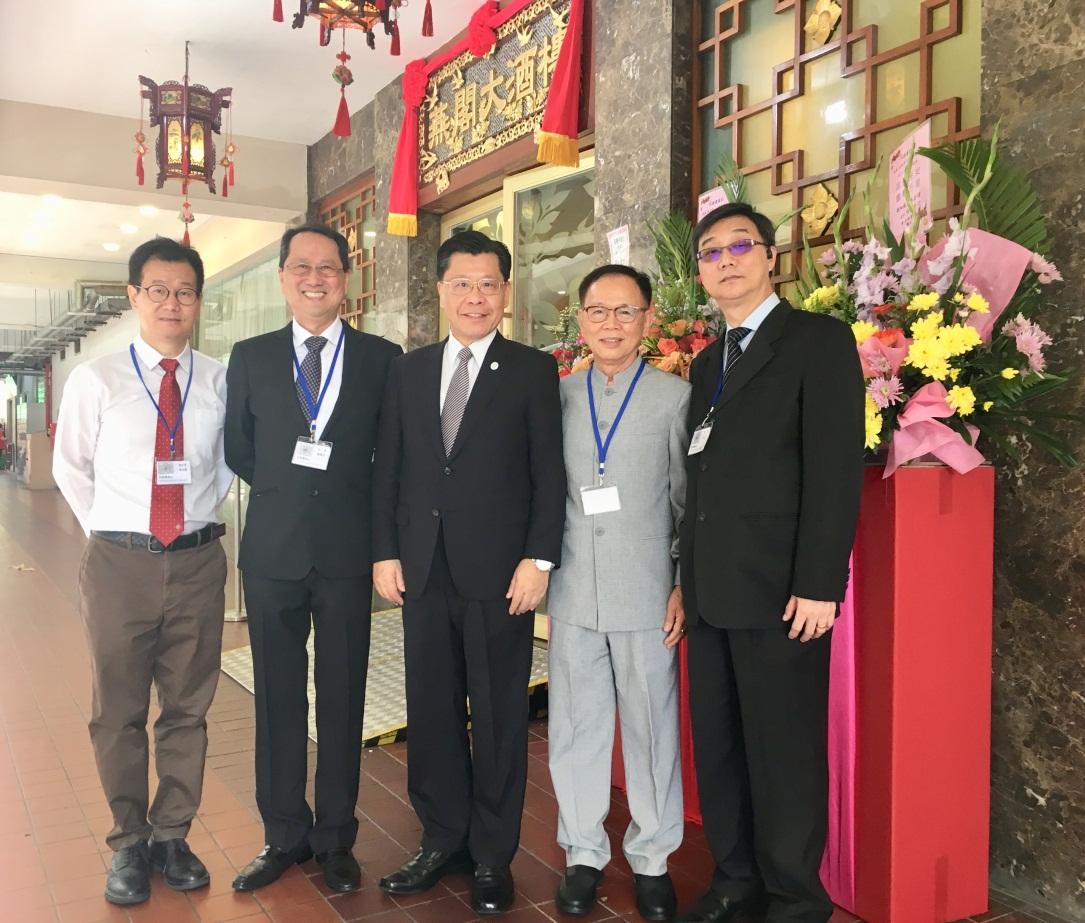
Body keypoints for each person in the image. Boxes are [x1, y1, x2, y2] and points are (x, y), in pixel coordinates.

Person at [675, 202, 864, 923]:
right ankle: (734, 880)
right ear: (699, 271)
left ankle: (792, 897)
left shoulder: (814, 340)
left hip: (783, 593)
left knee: (782, 752)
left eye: (739, 246)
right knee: (720, 748)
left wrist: (820, 582)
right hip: (710, 591)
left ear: (768, 256)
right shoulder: (704, 362)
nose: (725, 260)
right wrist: (682, 581)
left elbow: (833, 468)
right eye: (711, 252)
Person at [371, 230, 566, 915]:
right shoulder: (409, 370)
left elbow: (550, 474)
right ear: (441, 288)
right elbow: (389, 469)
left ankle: (491, 853)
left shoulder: (532, 369)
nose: (475, 296)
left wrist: (538, 559)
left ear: (505, 294)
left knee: (499, 714)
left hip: (499, 577)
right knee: (429, 711)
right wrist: (384, 550)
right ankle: (440, 838)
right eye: (462, 282)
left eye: (488, 283)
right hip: (422, 570)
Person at [53, 237, 232, 905]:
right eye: (156, 289)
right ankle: (128, 840)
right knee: (118, 709)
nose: (171, 302)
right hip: (119, 562)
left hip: (196, 561)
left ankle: (171, 833)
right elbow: (71, 467)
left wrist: (192, 520)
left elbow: (230, 465)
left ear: (197, 300)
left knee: (187, 707)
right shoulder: (96, 379)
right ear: (133, 296)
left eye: (184, 290)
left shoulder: (218, 380)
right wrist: (115, 526)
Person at [224, 224, 402, 894]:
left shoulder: (383, 359)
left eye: (328, 267)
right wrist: (288, 490)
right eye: (302, 266)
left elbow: (389, 459)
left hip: (347, 552)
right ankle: (282, 833)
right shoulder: (252, 355)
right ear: (282, 277)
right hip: (272, 551)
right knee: (274, 696)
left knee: (342, 694)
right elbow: (240, 449)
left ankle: (334, 835)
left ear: (346, 278)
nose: (315, 277)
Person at [546, 264, 689, 921]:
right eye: (597, 311)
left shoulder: (672, 397)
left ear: (646, 321)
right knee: (575, 726)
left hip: (645, 589)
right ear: (579, 322)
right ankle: (581, 852)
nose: (610, 324)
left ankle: (653, 858)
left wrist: (681, 581)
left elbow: (686, 502)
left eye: (624, 311)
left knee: (650, 725)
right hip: (574, 587)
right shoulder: (557, 398)